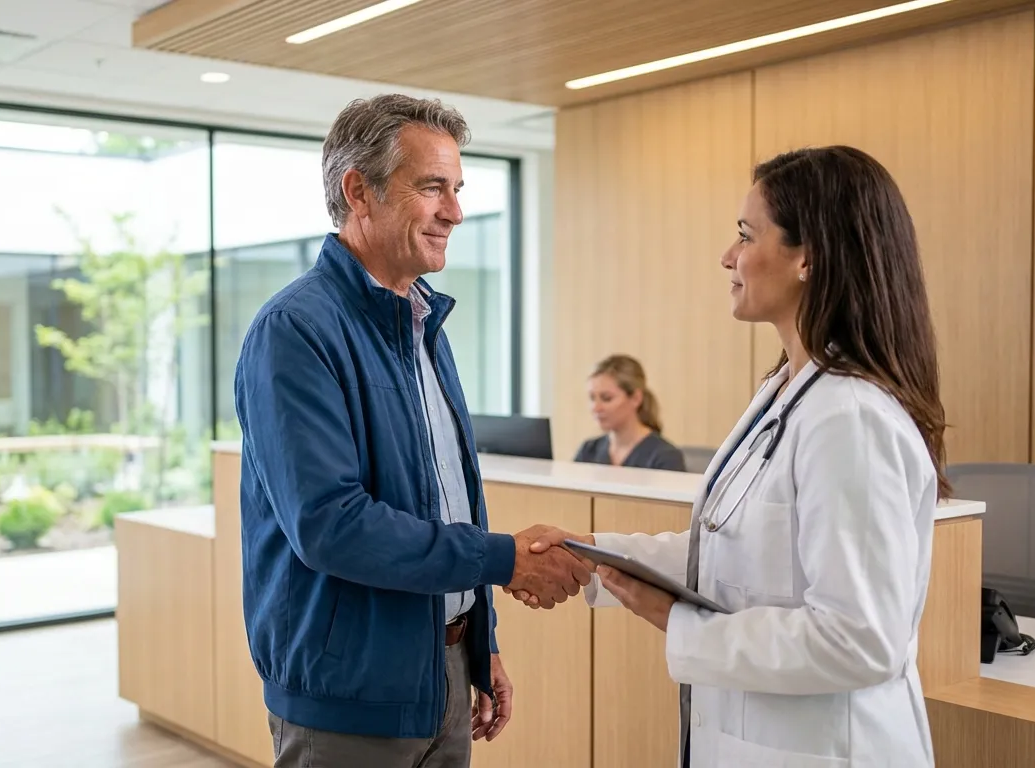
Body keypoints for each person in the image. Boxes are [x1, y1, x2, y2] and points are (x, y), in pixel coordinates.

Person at [516, 146, 949, 767]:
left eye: (746, 236)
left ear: (810, 256)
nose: (728, 256)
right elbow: (728, 554)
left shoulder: (850, 417)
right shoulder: (785, 395)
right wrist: (593, 553)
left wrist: (677, 621)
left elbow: (859, 640)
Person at [232, 94, 591, 768]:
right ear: (357, 192)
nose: (454, 211)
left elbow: (446, 502)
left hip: (444, 674)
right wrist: (504, 557)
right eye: (432, 187)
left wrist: (480, 642)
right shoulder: (296, 332)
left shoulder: (424, 324)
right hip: (349, 699)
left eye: (456, 189)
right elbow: (331, 525)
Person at [573, 354, 686, 471]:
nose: (596, 408)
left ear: (636, 398)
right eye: (592, 398)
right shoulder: (588, 451)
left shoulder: (665, 457)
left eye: (607, 398)